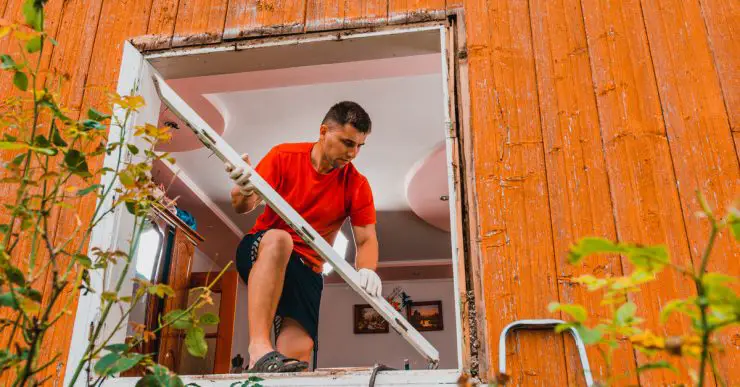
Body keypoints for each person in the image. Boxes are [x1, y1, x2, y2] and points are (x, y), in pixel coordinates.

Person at [225, 101, 383, 373]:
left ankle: (268, 366)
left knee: (295, 361)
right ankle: (258, 348)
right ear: (324, 132)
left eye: (359, 146)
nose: (353, 153)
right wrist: (243, 188)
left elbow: (366, 238)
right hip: (261, 250)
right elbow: (243, 206)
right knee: (280, 240)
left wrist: (367, 269)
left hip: (307, 269)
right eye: (347, 143)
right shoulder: (283, 156)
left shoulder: (356, 185)